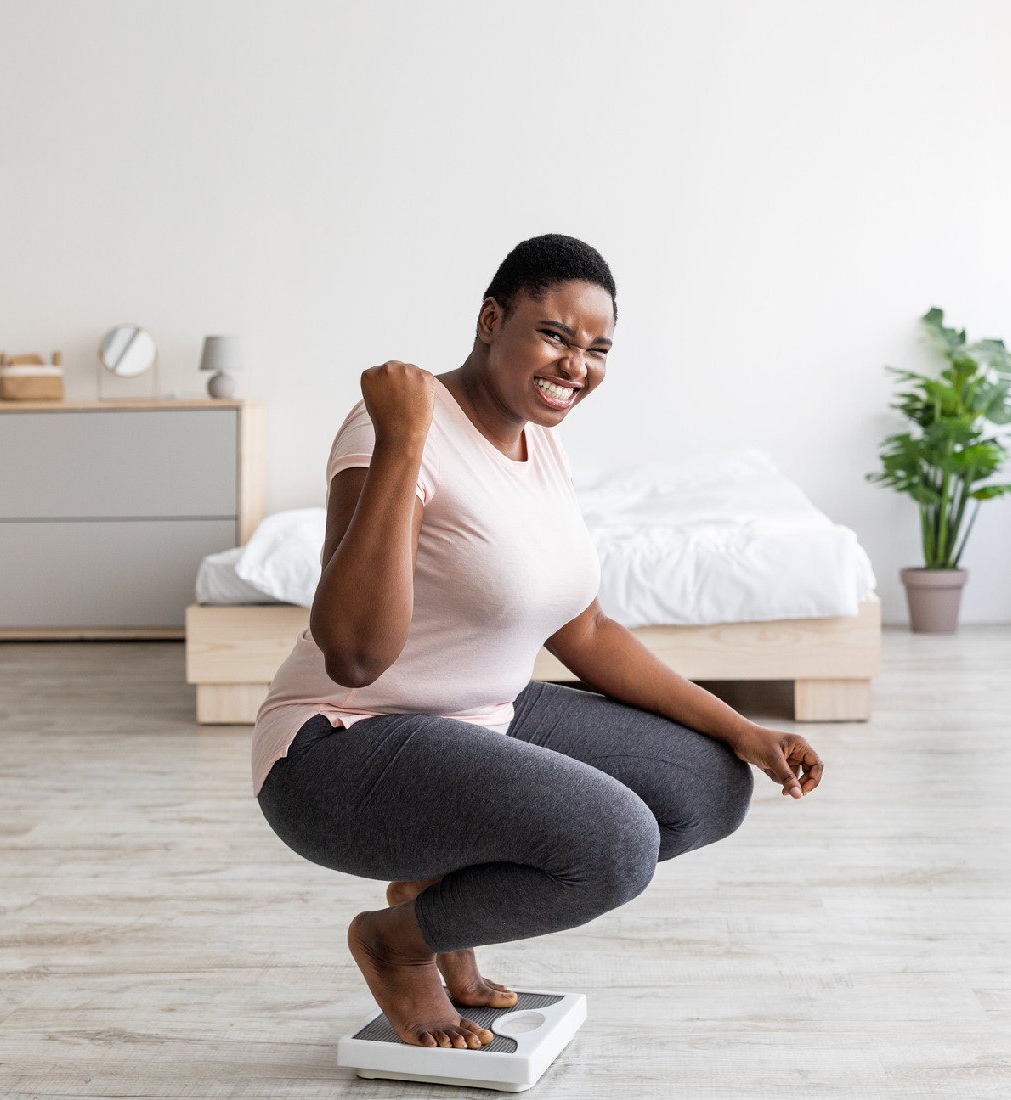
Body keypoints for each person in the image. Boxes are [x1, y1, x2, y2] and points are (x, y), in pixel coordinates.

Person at [253, 233, 823, 1051]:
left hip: (481, 714)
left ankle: (433, 895)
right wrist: (406, 437)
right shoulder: (391, 430)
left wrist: (744, 730)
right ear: (492, 319)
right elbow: (352, 655)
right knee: (616, 844)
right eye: (555, 335)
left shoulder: (539, 437)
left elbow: (583, 629)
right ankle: (400, 943)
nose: (576, 366)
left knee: (709, 784)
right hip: (340, 749)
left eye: (597, 349)